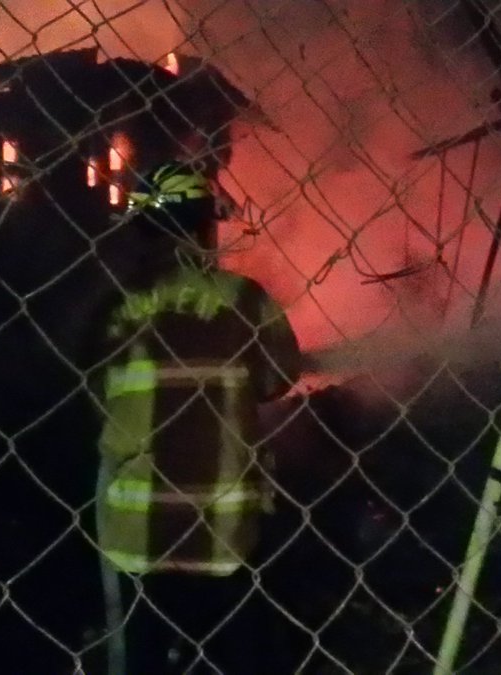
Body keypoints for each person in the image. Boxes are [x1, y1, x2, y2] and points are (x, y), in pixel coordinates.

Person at [92, 161, 301, 674]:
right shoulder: (245, 299)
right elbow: (277, 381)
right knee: (241, 652)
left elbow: (97, 398)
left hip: (136, 532)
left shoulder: (108, 306)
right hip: (224, 531)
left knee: (141, 656)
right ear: (203, 227)